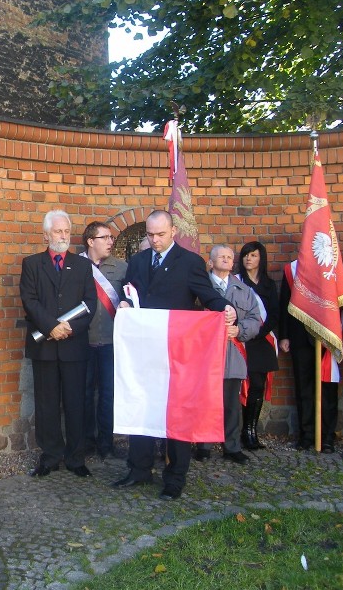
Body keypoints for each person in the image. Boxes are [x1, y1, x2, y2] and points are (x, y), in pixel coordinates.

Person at [113, 210, 234, 500]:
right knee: (143, 405)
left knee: (177, 413)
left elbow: (208, 296)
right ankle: (139, 468)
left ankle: (175, 477)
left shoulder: (190, 262)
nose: (154, 240)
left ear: (173, 232)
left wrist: (226, 308)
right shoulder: (138, 261)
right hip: (144, 349)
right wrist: (125, 305)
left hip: (178, 351)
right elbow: (130, 294)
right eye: (150, 235)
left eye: (160, 234)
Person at [20, 210, 97, 478]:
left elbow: (90, 304)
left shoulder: (83, 265)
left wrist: (69, 329)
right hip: (45, 347)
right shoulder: (31, 264)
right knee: (46, 404)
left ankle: (76, 458)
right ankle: (50, 456)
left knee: (76, 403)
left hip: (74, 347)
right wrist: (51, 326)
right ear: (45, 235)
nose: (63, 236)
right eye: (57, 231)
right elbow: (29, 301)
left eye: (66, 231)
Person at [279, 257, 342, 452]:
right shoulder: (292, 269)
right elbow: (285, 304)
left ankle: (327, 436)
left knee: (328, 389)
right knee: (304, 388)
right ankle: (307, 435)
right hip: (300, 337)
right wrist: (284, 335)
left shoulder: (337, 265)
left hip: (327, 336)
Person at [206, 244, 260, 464]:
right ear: (211, 262)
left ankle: (232, 446)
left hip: (232, 355)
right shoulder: (201, 287)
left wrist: (240, 330)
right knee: (206, 403)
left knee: (231, 405)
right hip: (206, 356)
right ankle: (204, 445)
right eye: (222, 257)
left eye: (230, 257)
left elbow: (255, 319)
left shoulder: (244, 290)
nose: (227, 260)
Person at [80, 221, 126, 460]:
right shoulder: (76, 265)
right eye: (105, 237)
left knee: (108, 395)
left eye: (111, 237)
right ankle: (87, 441)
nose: (110, 242)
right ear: (90, 241)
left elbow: (132, 297)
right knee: (85, 395)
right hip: (83, 342)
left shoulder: (121, 268)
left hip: (111, 343)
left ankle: (106, 444)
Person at [237, 241, 280, 450]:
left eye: (253, 255)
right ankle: (241, 431)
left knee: (258, 386)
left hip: (262, 340)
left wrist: (259, 332)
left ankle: (251, 430)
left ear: (260, 258)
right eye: (246, 255)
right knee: (242, 386)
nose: (248, 259)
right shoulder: (236, 282)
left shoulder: (268, 285)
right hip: (242, 340)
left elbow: (274, 313)